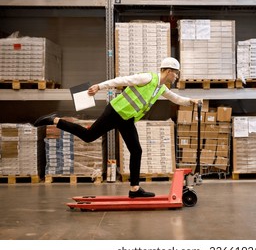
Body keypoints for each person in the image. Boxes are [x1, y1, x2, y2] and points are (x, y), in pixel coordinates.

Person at [34, 57, 202, 198]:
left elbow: (176, 99)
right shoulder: (148, 78)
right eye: (176, 74)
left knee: (136, 150)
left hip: (126, 119)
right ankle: (55, 120)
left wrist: (191, 101)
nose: (176, 77)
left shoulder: (160, 89)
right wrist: (99, 86)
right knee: (88, 136)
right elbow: (122, 80)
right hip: (115, 112)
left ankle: (134, 189)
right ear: (169, 71)